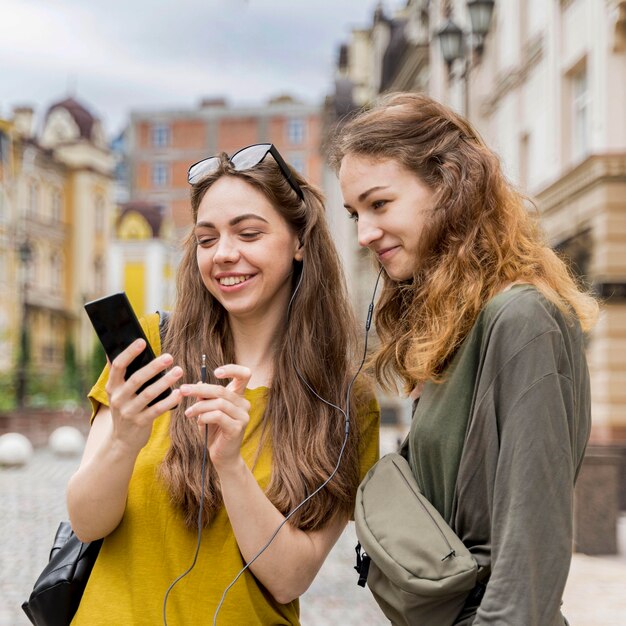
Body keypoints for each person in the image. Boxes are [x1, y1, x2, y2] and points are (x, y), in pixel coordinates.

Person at [67, 143, 380, 625]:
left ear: (299, 242)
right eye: (207, 239)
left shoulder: (343, 400)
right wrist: (125, 440)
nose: (225, 255)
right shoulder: (154, 348)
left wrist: (229, 465)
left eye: (249, 233)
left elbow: (290, 578)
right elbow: (87, 523)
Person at [330, 93, 598, 625]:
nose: (364, 233)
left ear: (449, 184)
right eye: (355, 213)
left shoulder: (522, 318)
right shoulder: (456, 331)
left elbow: (529, 560)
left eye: (379, 204)